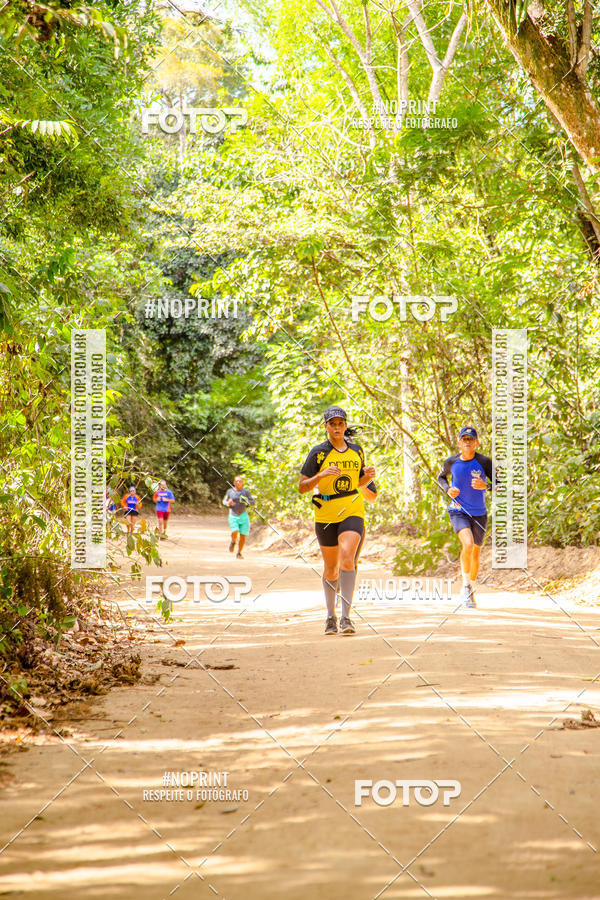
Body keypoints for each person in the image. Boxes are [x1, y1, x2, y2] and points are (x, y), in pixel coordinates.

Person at [299, 406, 375, 636]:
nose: (337, 427)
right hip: (326, 513)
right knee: (331, 569)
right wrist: (321, 476)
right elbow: (303, 487)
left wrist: (367, 477)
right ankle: (330, 617)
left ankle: (346, 617)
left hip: (352, 507)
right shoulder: (318, 453)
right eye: (332, 424)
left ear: (345, 426)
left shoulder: (356, 451)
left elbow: (360, 482)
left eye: (340, 423)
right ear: (326, 427)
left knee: (347, 557)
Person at [437, 426, 494, 608]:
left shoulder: (485, 462)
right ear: (459, 442)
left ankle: (470, 587)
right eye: (464, 439)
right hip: (458, 510)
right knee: (467, 544)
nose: (467, 442)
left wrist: (485, 486)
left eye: (471, 439)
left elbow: (499, 483)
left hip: (479, 513)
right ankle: (465, 587)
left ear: (477, 443)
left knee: (476, 551)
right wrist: (448, 490)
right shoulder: (451, 462)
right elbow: (441, 478)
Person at [222, 476, 255, 559]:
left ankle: (239, 553)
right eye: (236, 481)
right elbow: (224, 501)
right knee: (235, 531)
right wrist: (228, 503)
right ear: (234, 482)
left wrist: (247, 501)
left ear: (243, 482)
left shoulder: (246, 492)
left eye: (240, 481)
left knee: (243, 536)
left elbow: (252, 502)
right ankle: (233, 541)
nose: (238, 483)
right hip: (233, 515)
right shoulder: (230, 491)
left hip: (243, 515)